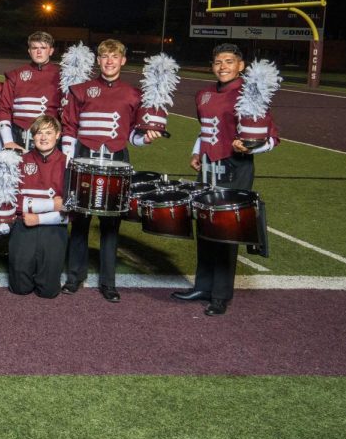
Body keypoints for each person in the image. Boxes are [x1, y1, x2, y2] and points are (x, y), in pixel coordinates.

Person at [173, 43, 279, 316]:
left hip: (235, 168)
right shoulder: (204, 94)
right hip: (208, 167)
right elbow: (205, 129)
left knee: (226, 232)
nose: (223, 66)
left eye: (229, 61)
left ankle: (220, 295)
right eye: (218, 61)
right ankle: (203, 285)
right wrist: (197, 152)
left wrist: (252, 147)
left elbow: (272, 138)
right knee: (205, 227)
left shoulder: (250, 92)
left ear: (241, 65)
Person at [61, 39, 166, 302]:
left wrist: (146, 139)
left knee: (111, 225)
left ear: (123, 60)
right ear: (98, 60)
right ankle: (75, 276)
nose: (109, 61)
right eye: (104, 56)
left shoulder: (134, 94)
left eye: (114, 56)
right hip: (84, 158)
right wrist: (66, 163)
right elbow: (70, 129)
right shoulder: (80, 90)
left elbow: (133, 135)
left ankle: (108, 282)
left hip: (117, 160)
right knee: (80, 220)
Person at [7, 115, 68, 298]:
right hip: (22, 225)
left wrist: (38, 217)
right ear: (32, 136)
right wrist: (52, 203)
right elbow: (11, 201)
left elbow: (71, 207)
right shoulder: (17, 161)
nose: (43, 137)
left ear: (57, 135)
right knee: (20, 288)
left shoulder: (69, 163)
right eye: (39, 133)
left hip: (54, 227)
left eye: (48, 133)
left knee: (48, 291)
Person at [0, 31, 62, 152]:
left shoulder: (62, 76)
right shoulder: (15, 75)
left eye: (43, 48)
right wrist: (8, 140)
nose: (38, 51)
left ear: (51, 51)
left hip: (49, 138)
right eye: (34, 48)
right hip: (18, 135)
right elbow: (3, 108)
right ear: (29, 51)